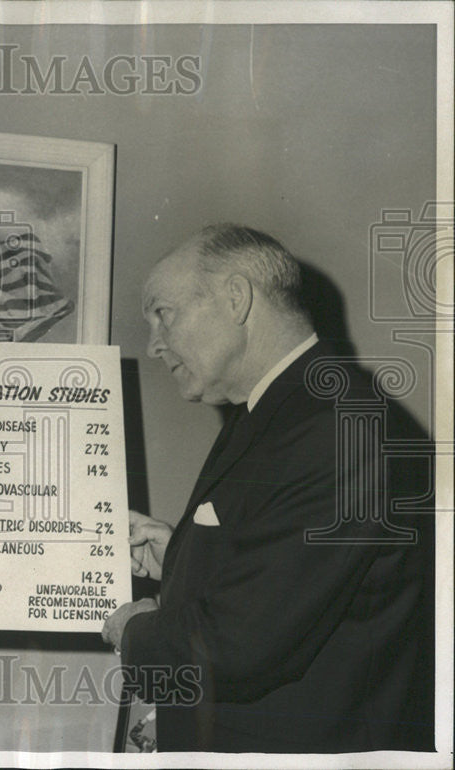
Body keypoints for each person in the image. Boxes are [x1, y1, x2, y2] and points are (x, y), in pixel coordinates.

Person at [102, 224, 433, 752]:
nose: (154, 344)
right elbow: (288, 575)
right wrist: (183, 559)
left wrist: (133, 631)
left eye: (163, 314)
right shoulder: (287, 410)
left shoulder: (335, 428)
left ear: (236, 299)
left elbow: (236, 647)